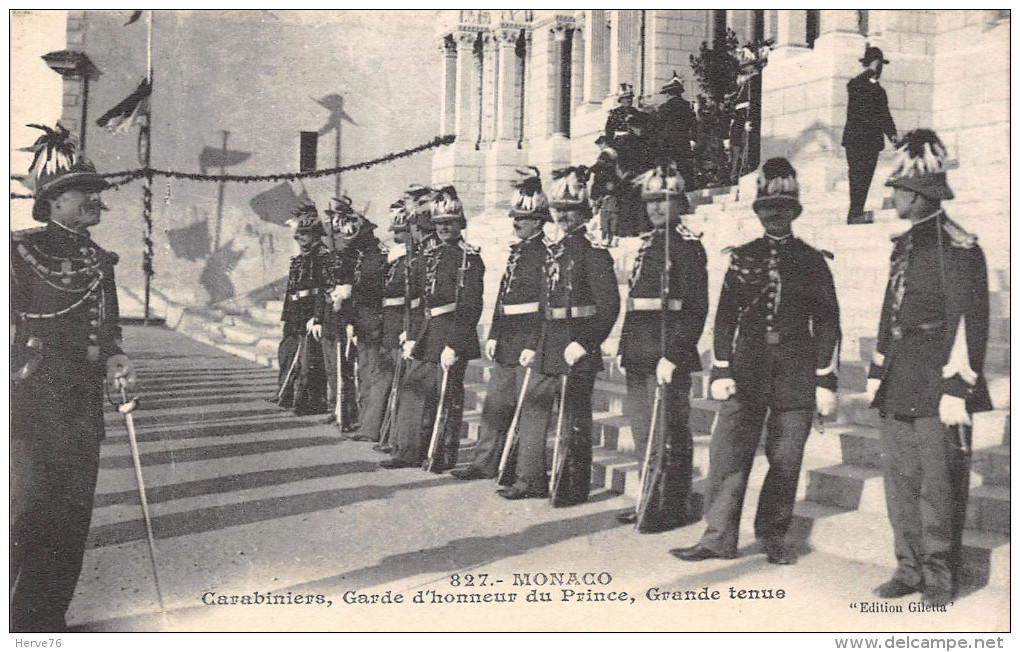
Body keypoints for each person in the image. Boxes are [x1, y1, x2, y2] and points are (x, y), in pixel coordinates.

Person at [674, 157, 840, 566]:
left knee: (785, 463)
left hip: (795, 376)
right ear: (758, 211)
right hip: (746, 373)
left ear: (795, 212)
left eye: (783, 208)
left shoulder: (812, 260)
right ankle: (717, 536)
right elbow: (725, 316)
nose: (774, 215)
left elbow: (829, 322)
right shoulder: (742, 256)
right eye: (767, 208)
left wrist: (825, 379)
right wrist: (721, 368)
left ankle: (774, 536)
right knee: (728, 457)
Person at [11, 126, 136, 631]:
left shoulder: (99, 261)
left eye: (96, 193)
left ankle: (42, 620)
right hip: (29, 399)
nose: (94, 200)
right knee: (23, 512)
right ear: (51, 202)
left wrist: (116, 360)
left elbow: (107, 329)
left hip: (80, 405)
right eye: (80, 192)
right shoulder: (17, 252)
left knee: (70, 515)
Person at [866, 129, 991, 606]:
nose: (893, 195)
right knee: (901, 484)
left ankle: (939, 576)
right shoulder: (906, 243)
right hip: (899, 379)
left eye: (898, 188)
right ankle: (909, 567)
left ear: (919, 194)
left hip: (938, 383)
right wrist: (878, 369)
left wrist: (958, 385)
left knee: (940, 487)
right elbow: (889, 310)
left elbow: (969, 320)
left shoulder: (958, 246)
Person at [499, 167, 620, 505]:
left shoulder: (594, 250)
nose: (564, 216)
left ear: (584, 212)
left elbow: (609, 305)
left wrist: (586, 342)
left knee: (574, 418)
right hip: (548, 341)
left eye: (571, 210)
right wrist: (530, 343)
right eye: (559, 210)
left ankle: (571, 485)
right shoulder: (554, 249)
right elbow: (543, 303)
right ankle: (529, 479)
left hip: (576, 342)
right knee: (534, 409)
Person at [616, 164, 708, 530]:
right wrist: (625, 348)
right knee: (644, 431)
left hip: (668, 353)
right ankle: (648, 499)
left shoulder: (688, 246)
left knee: (669, 432)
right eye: (651, 201)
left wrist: (675, 353)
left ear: (679, 203)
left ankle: (673, 503)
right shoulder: (645, 244)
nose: (655, 208)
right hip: (640, 351)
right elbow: (635, 303)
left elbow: (695, 309)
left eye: (664, 200)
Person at [452, 169, 550, 480]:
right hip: (507, 339)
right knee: (494, 406)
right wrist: (493, 333)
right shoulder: (516, 252)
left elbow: (547, 305)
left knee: (529, 412)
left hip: (528, 340)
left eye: (522, 217)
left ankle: (523, 473)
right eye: (515, 217)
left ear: (538, 220)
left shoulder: (546, 255)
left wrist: (534, 343)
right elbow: (502, 298)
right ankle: (484, 463)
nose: (515, 222)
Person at [381, 186, 485, 470]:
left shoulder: (470, 259)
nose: (443, 229)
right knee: (413, 392)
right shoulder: (430, 256)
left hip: (451, 332)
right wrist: (412, 335)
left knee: (446, 396)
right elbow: (420, 301)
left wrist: (454, 344)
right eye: (439, 224)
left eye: (449, 223)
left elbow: (470, 307)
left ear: (460, 223)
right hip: (427, 332)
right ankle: (408, 451)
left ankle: (442, 454)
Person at [320, 194, 387, 439]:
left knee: (369, 373)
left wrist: (350, 293)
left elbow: (373, 290)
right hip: (360, 321)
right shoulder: (361, 255)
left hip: (373, 322)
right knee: (362, 372)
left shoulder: (377, 256)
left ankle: (368, 424)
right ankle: (361, 418)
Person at [275, 199, 330, 415]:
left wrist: (316, 317)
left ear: (316, 234)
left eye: (304, 234)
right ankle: (285, 392)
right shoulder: (300, 259)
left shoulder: (322, 257)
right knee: (287, 353)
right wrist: (287, 316)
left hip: (310, 313)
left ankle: (309, 400)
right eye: (298, 235)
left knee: (310, 361)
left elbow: (322, 289)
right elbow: (292, 291)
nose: (300, 239)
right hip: (295, 314)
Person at [372, 198, 417, 452]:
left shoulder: (410, 258)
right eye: (396, 232)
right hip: (389, 322)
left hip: (402, 320)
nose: (398, 236)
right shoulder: (393, 258)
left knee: (400, 381)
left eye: (402, 231)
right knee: (386, 377)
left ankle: (393, 436)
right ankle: (383, 431)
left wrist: (406, 328)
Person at [842, 45, 898, 224]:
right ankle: (854, 213)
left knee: (865, 177)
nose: (880, 70)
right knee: (857, 176)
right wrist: (870, 71)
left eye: (880, 66)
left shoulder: (879, 91)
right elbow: (853, 86)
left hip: (872, 143)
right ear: (872, 64)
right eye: (878, 65)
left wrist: (893, 135)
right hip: (856, 140)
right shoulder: (857, 84)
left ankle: (857, 213)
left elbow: (885, 116)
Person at [655, 72, 698, 188]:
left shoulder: (663, 108)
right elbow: (694, 125)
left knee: (669, 172)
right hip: (683, 142)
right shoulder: (687, 106)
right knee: (685, 171)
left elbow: (658, 127)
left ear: (668, 94)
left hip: (667, 144)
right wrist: (693, 140)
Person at [590, 135, 621, 246]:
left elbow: (600, 165)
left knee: (602, 211)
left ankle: (603, 237)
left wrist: (590, 169)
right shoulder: (614, 153)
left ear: (603, 143)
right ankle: (611, 238)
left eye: (599, 144)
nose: (599, 147)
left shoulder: (606, 153)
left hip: (605, 183)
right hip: (612, 182)